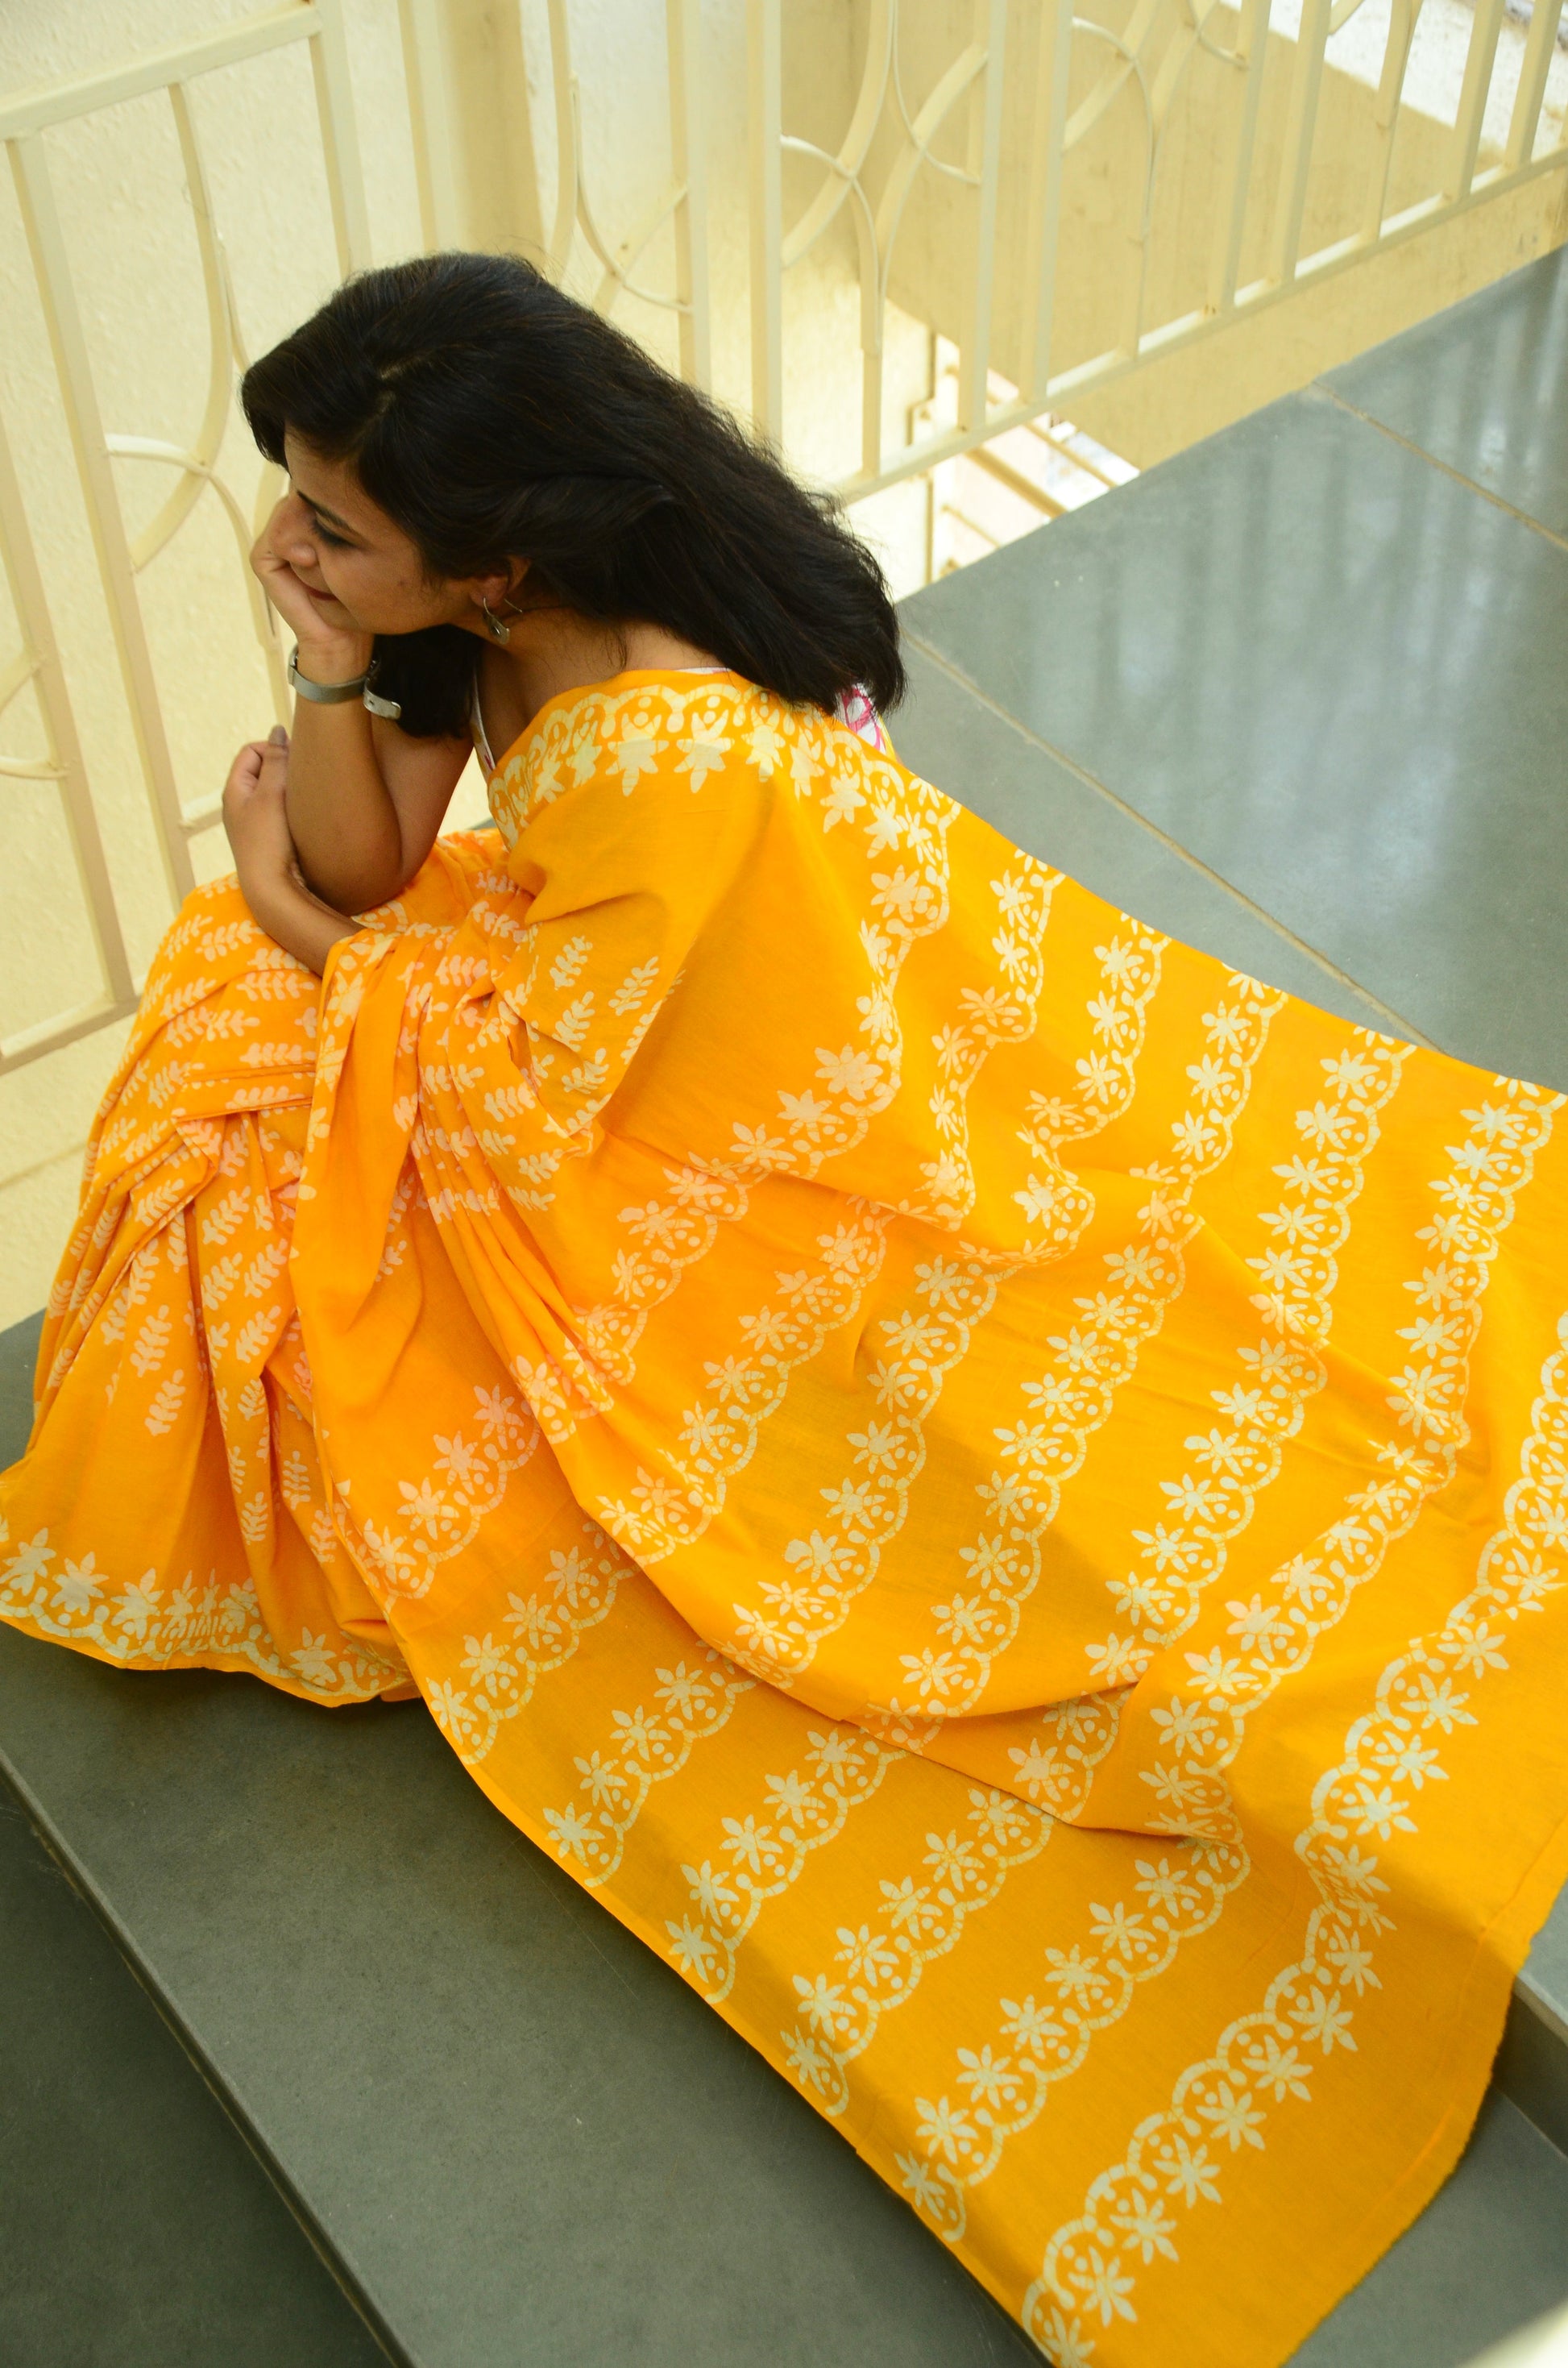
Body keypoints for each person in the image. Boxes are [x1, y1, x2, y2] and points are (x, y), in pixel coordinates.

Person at [2, 251, 1565, 2368]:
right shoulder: (490, 598)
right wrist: (331, 656)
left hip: (745, 1127)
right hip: (615, 1012)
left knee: (249, 1031)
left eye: (334, 524)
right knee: (238, 1020)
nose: (292, 536)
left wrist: (299, 922)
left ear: (496, 560)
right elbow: (383, 868)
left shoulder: (660, 726)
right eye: (291, 496)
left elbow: (473, 1032)